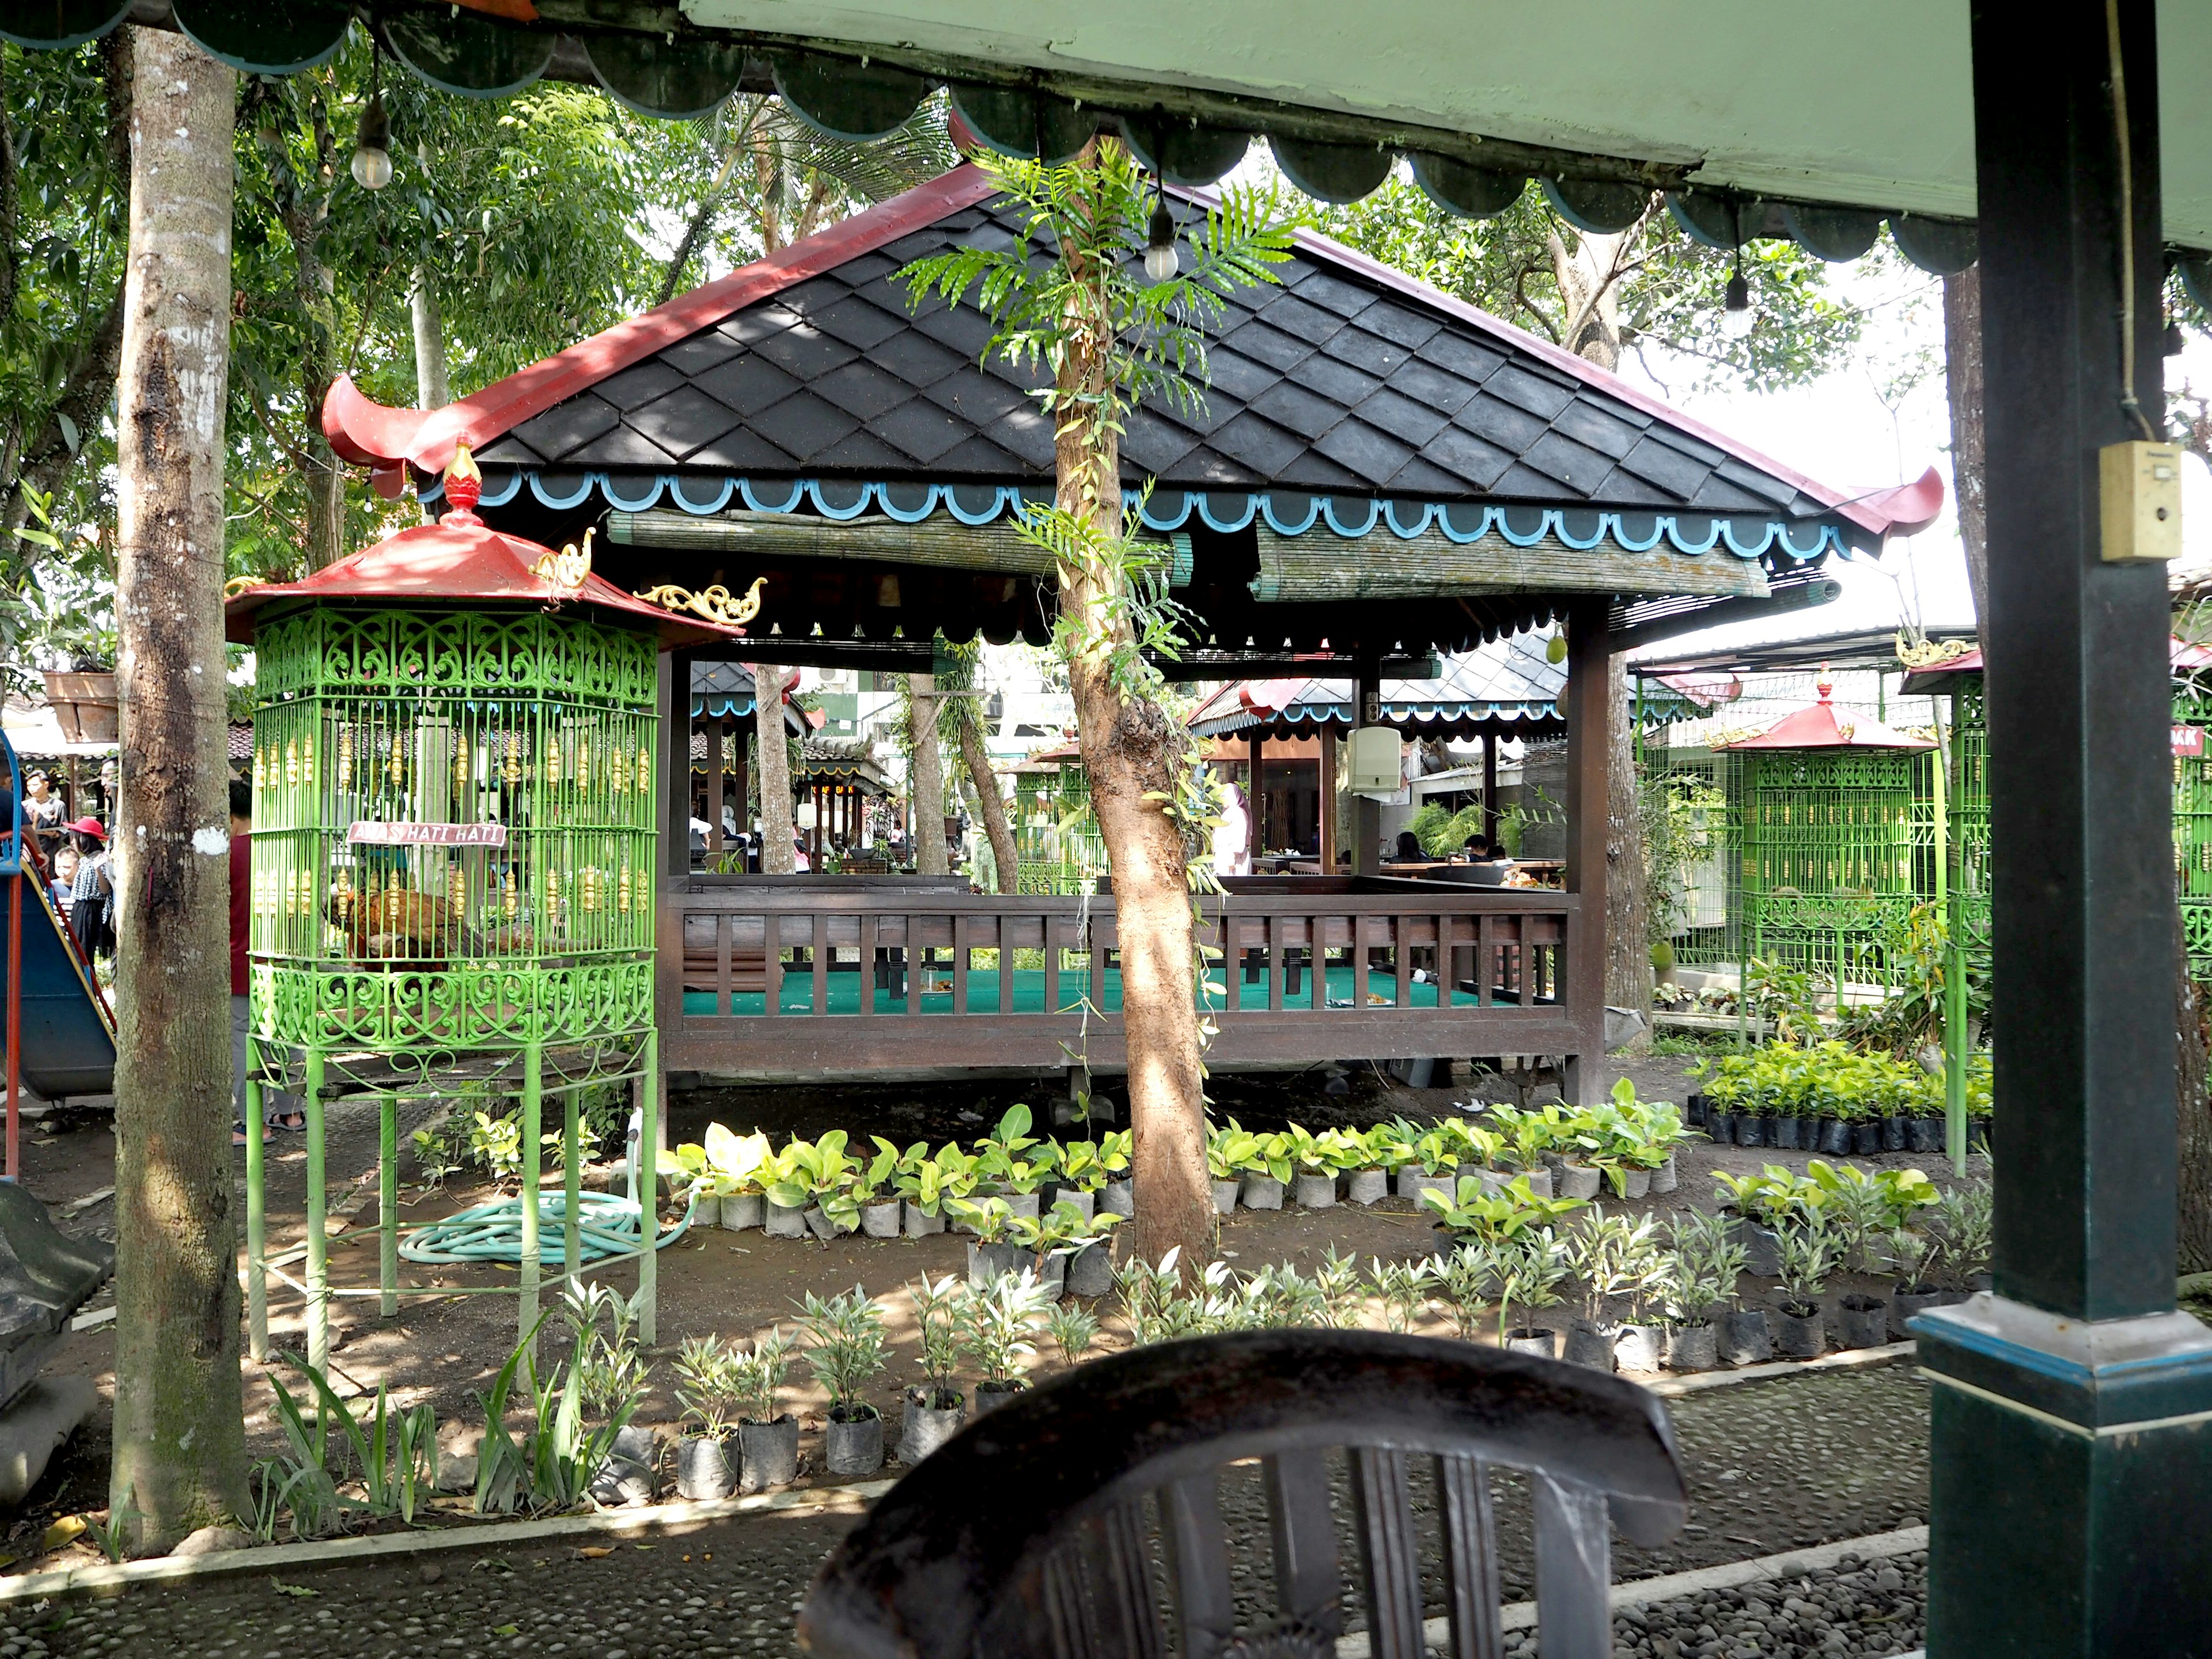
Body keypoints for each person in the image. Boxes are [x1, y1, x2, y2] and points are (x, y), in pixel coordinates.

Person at [229, 781, 304, 1144]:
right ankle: (291, 1113)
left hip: (240, 959)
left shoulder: (226, 853)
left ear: (229, 816)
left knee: (244, 1042)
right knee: (287, 1032)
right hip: (286, 958)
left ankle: (251, 1124)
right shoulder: (281, 850)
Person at [65, 817, 114, 961]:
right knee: (76, 948)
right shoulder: (85, 860)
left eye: (76, 838)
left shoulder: (102, 859)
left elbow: (105, 890)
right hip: (79, 907)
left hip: (91, 909)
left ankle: (88, 981)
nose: (73, 842)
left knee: (84, 950)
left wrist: (98, 869)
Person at [1211, 782, 1252, 877]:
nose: (1222, 797)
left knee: (1233, 887)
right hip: (1224, 856)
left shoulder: (1237, 813)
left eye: (1225, 795)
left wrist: (1232, 857)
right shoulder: (1230, 812)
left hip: (1232, 860)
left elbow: (1239, 837)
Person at [21, 770, 64, 850]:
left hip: (50, 849)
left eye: (35, 785)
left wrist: (55, 834)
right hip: (28, 850)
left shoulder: (58, 805)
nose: (32, 789)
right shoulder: (24, 805)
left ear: (46, 785)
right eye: (29, 786)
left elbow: (65, 829)